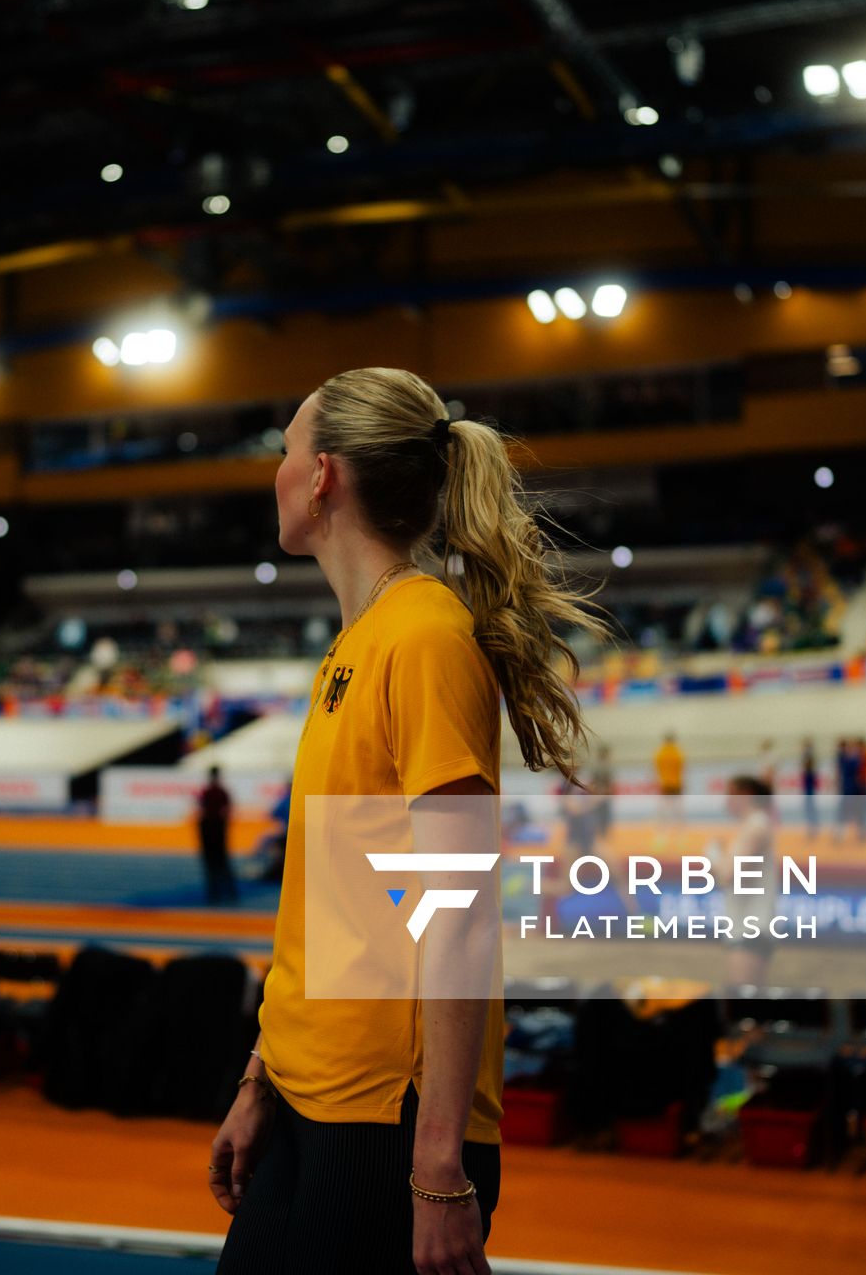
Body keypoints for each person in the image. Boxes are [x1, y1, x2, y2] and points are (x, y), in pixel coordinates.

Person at [211, 368, 605, 1274]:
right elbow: (329, 908)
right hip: (311, 1097)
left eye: (285, 451)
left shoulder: (425, 640)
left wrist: (437, 1169)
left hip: (386, 1127)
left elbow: (461, 914)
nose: (275, 472)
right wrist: (260, 1076)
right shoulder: (356, 646)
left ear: (322, 478)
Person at [721, 776, 777, 987]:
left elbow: (728, 873)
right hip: (749, 927)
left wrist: (713, 855)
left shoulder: (756, 826)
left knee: (744, 1006)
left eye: (730, 794)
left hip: (751, 929)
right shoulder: (753, 826)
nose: (725, 801)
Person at [197, 766, 237, 904]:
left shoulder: (208, 792)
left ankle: (215, 893)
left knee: (211, 863)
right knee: (222, 862)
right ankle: (229, 892)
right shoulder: (221, 792)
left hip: (209, 829)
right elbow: (227, 811)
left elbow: (201, 810)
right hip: (218, 829)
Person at [654, 731, 686, 835]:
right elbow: (682, 767)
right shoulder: (678, 752)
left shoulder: (660, 753)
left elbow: (656, 767)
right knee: (678, 808)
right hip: (676, 783)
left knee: (663, 807)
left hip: (665, 783)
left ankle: (662, 829)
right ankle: (680, 829)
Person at [800, 739, 819, 836]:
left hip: (809, 791)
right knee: (809, 809)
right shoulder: (809, 773)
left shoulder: (810, 773)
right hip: (808, 790)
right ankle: (812, 827)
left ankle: (813, 828)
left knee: (810, 808)